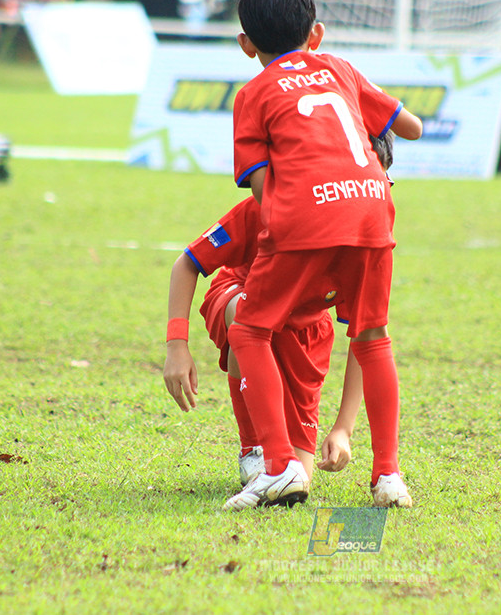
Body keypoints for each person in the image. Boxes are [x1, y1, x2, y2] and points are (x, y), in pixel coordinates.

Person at [222, 0, 422, 511]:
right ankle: (388, 476)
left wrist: (287, 227)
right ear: (316, 33)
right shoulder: (340, 68)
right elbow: (411, 128)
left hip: (307, 216)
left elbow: (261, 188)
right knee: (373, 337)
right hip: (373, 211)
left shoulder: (253, 93)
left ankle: (279, 466)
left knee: (249, 330)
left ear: (246, 46)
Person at [162, 133, 395, 487]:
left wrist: (343, 429)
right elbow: (188, 263)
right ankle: (254, 448)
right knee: (247, 318)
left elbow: (367, 337)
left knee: (298, 480)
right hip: (241, 296)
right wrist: (177, 345)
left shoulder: (365, 239)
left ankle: (292, 458)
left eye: (380, 184)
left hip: (306, 332)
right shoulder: (270, 208)